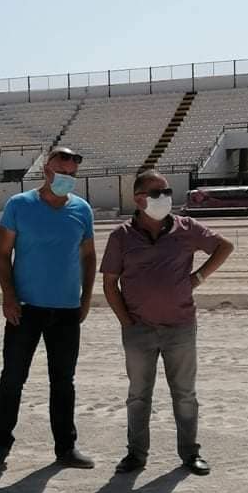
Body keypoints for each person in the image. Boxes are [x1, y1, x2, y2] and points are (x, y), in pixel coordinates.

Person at [100, 170, 234, 476]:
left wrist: (198, 278)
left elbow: (224, 246)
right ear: (139, 199)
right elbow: (109, 284)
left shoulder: (186, 227)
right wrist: (127, 323)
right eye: (157, 193)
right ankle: (136, 455)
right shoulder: (121, 236)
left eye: (167, 192)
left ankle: (190, 453)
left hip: (180, 327)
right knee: (138, 395)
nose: (165, 198)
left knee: (185, 394)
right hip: (139, 330)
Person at [0, 146, 97, 471]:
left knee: (63, 381)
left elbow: (89, 256)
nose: (67, 178)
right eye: (62, 172)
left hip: (66, 310)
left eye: (72, 174)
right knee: (13, 377)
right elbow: (2, 253)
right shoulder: (19, 205)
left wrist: (86, 298)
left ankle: (66, 447)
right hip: (25, 309)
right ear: (46, 170)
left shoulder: (82, 210)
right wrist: (8, 295)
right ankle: (1, 443)